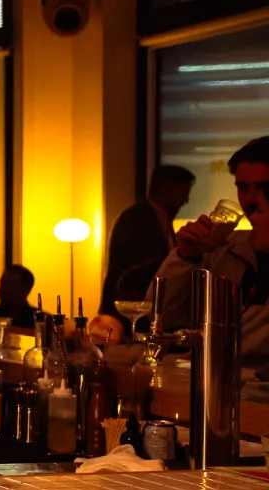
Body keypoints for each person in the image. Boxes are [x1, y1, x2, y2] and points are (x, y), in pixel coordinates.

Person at [158, 136, 269, 369]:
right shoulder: (224, 249)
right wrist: (185, 256)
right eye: (243, 188)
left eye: (264, 189)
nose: (251, 201)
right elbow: (160, 318)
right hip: (209, 382)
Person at [102, 165, 195, 319]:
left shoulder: (157, 219)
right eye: (182, 193)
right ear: (163, 189)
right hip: (129, 316)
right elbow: (141, 271)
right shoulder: (136, 220)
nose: (185, 200)